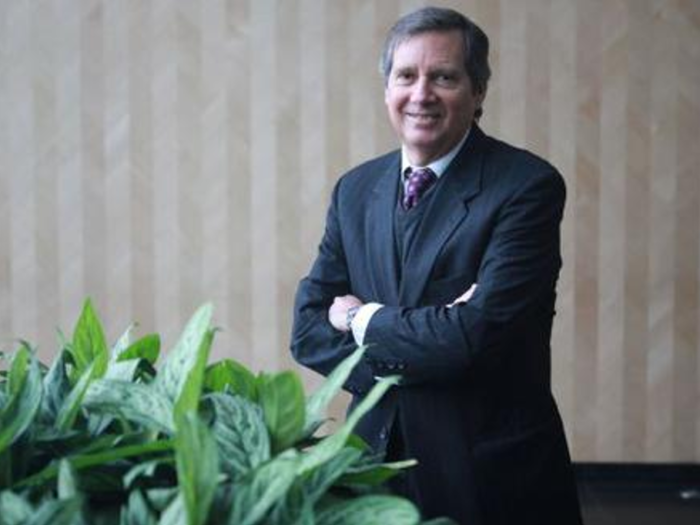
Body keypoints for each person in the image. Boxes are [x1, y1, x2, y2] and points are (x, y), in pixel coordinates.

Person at [291, 6, 582, 524]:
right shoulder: (355, 190)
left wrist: (360, 318)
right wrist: (435, 338)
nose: (421, 94)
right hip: (373, 471)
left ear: (478, 92)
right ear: (387, 89)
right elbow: (308, 328)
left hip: (487, 478)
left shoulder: (526, 187)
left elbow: (475, 336)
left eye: (444, 77)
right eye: (406, 76)